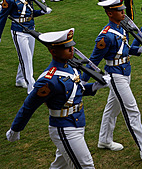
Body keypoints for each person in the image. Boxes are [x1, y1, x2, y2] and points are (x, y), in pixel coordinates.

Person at [6, 29, 108, 168]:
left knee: (60, 166)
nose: (72, 50)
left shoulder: (70, 67)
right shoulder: (48, 80)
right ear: (53, 52)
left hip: (77, 122)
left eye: (72, 46)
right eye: (67, 48)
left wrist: (95, 87)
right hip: (64, 128)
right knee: (86, 166)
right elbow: (29, 106)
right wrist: (15, 129)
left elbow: (74, 92)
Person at [82, 0, 142, 160]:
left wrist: (140, 49)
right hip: (115, 75)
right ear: (110, 13)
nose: (123, 12)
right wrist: (83, 81)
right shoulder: (105, 36)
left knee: (112, 109)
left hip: (125, 71)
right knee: (132, 110)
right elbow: (93, 60)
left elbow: (123, 50)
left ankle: (104, 140)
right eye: (119, 10)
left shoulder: (121, 27)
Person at [0, 0, 51, 93]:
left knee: (28, 56)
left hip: (31, 28)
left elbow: (31, 13)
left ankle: (20, 79)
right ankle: (31, 87)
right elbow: (2, 17)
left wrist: (42, 12)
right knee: (26, 58)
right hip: (19, 31)